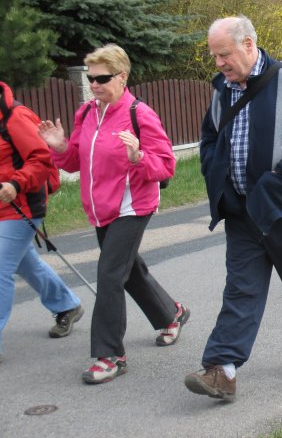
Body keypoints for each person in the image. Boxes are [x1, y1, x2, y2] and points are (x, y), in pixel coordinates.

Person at [184, 15, 282, 402]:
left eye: (224, 54)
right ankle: (222, 369)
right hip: (240, 213)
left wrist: (276, 179)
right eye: (214, 56)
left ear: (249, 44)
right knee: (241, 290)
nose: (218, 63)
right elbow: (209, 138)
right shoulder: (222, 89)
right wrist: (215, 173)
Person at [38, 45, 186, 385]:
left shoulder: (139, 114)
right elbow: (75, 161)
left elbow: (166, 165)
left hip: (131, 207)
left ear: (122, 76)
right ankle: (171, 314)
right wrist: (59, 146)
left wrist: (137, 157)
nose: (94, 85)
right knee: (127, 270)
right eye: (91, 79)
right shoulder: (88, 113)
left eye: (101, 78)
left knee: (108, 274)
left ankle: (109, 355)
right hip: (100, 207)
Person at [1, 82, 83, 363]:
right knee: (24, 262)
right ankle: (67, 305)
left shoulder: (15, 117)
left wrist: (15, 183)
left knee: (0, 266)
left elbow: (42, 158)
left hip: (20, 205)